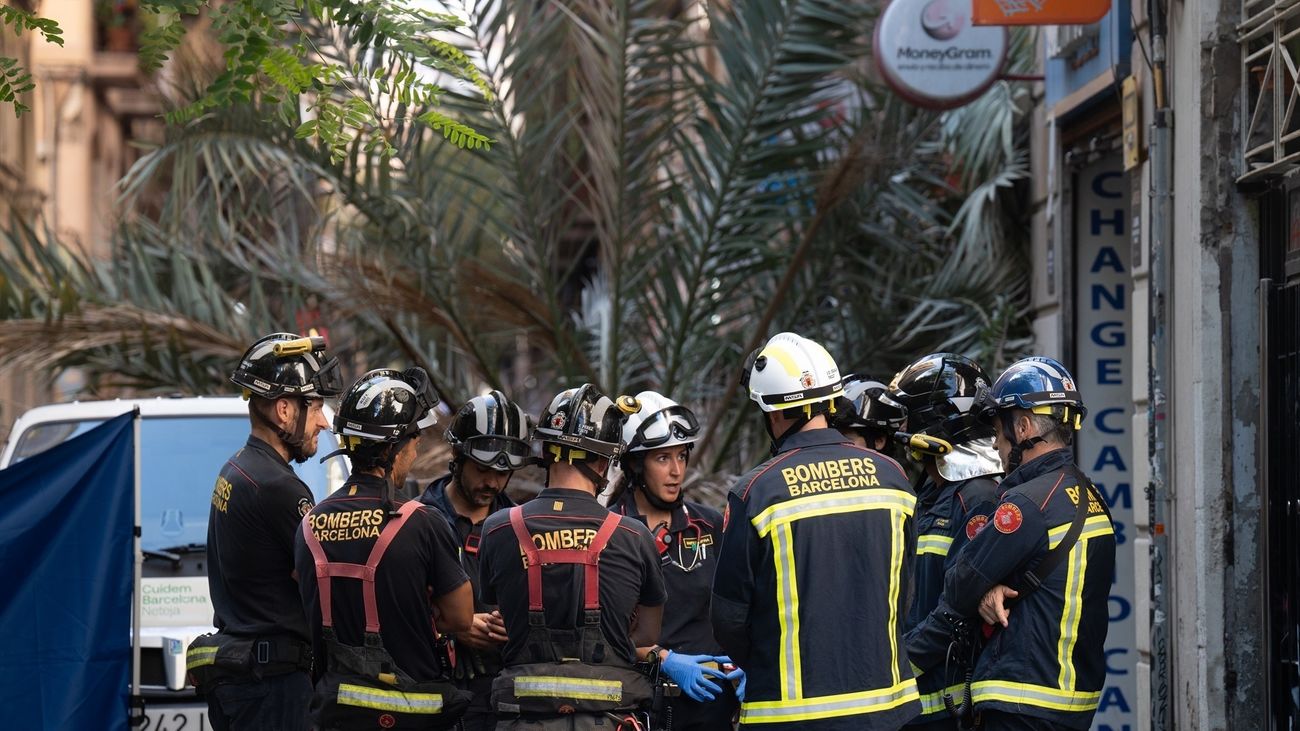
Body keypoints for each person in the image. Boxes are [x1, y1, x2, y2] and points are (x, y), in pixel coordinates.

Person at [711, 332, 922, 730]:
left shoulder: (756, 492)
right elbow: (901, 596)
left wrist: (768, 664)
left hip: (792, 715)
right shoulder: (893, 477)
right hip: (887, 711)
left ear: (773, 413)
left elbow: (728, 618)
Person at [477, 384, 667, 731]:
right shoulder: (633, 536)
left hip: (521, 720)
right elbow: (645, 635)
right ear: (601, 460)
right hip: (610, 718)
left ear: (547, 452)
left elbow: (497, 616)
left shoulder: (498, 528)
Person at [295, 367, 476, 730]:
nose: (417, 447)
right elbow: (461, 618)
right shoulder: (422, 522)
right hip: (414, 715)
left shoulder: (309, 525)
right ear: (394, 447)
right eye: (414, 439)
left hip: (336, 714)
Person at [941, 357, 1115, 731]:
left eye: (998, 433)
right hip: (1072, 702)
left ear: (1022, 427)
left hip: (1022, 701)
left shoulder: (1026, 504)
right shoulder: (1089, 495)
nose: (996, 444)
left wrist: (984, 590)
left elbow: (958, 586)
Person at [199, 332, 343, 731]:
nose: (324, 421)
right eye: (315, 407)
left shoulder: (238, 468)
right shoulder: (278, 487)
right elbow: (323, 580)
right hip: (273, 686)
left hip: (246, 680)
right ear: (283, 410)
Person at [607, 391, 741, 729]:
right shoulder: (609, 532)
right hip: (637, 706)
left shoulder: (710, 524)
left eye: (682, 456)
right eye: (663, 458)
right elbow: (598, 631)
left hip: (712, 704)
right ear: (635, 464)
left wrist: (752, 660)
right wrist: (664, 659)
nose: (677, 471)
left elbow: (741, 603)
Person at [887, 354, 1003, 731]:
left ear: (930, 424)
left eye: (906, 418)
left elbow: (960, 608)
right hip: (911, 702)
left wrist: (898, 666)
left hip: (943, 707)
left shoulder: (978, 499)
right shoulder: (930, 494)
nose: (899, 431)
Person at [418, 390, 533, 731]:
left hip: (502, 697)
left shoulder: (521, 528)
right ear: (457, 455)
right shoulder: (417, 520)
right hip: (433, 692)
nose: (493, 482)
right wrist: (451, 627)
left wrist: (513, 627)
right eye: (483, 469)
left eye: (503, 472)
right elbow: (392, 604)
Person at [831, 374, 907, 454]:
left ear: (879, 440)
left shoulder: (893, 467)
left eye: (845, 439)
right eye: (832, 439)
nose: (835, 447)